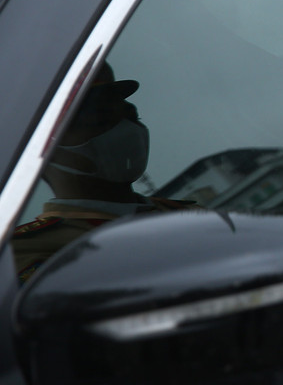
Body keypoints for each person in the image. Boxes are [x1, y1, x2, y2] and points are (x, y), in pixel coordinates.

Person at [11, 62, 189, 282]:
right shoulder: (24, 253)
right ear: (41, 148)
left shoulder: (188, 216)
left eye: (130, 114)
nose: (126, 128)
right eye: (99, 118)